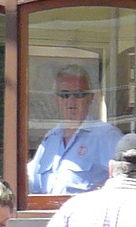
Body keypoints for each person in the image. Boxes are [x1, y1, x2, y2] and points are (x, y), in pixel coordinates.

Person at [27, 66, 124, 196]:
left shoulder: (106, 136)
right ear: (56, 99)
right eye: (64, 95)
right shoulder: (50, 139)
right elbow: (32, 184)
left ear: (90, 98)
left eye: (78, 94)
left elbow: (125, 183)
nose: (71, 101)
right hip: (47, 213)